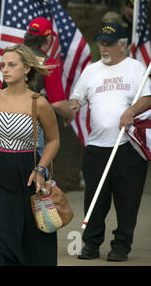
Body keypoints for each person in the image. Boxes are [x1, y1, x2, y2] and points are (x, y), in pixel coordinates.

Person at [0, 44, 60, 266]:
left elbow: (53, 140)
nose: (5, 69)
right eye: (3, 65)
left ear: (26, 68)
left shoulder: (39, 102)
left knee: (32, 236)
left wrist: (41, 169)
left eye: (12, 65)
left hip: (29, 172)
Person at [70, 22, 150, 262]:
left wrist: (130, 112)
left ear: (122, 46)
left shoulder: (136, 68)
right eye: (101, 43)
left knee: (127, 200)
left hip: (128, 147)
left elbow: (147, 98)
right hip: (97, 147)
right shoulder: (91, 70)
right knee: (95, 199)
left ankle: (121, 245)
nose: (103, 47)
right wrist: (69, 107)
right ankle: (91, 244)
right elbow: (77, 99)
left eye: (109, 43)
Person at [23, 17, 75, 156]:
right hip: (32, 125)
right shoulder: (48, 63)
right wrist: (70, 114)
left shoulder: (12, 55)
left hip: (5, 120)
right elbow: (58, 104)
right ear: (47, 39)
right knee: (37, 170)